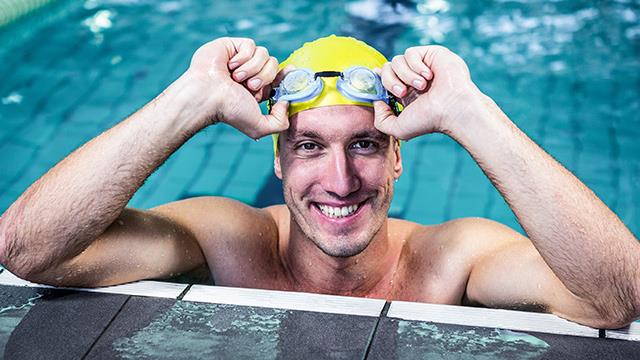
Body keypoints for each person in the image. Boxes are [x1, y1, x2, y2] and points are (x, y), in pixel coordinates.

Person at [0, 35, 638, 329]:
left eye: (364, 144)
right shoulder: (229, 240)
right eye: (309, 147)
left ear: (398, 159)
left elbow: (617, 296)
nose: (339, 180)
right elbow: (28, 250)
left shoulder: (454, 259)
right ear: (277, 164)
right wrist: (190, 99)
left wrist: (470, 113)